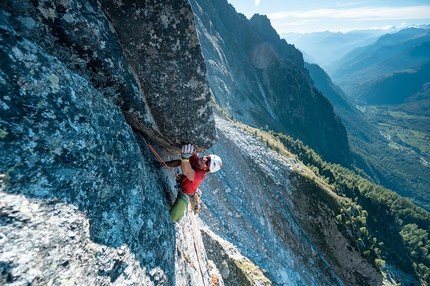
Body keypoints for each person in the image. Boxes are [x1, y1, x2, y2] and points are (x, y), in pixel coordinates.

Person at [166, 144, 222, 222]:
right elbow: (180, 162)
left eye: (208, 162)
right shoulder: (196, 160)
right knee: (184, 162)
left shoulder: (199, 175)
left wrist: (185, 158)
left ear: (206, 169)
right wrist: (162, 164)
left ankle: (192, 201)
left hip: (185, 193)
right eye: (207, 157)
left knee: (173, 217)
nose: (204, 158)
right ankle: (195, 194)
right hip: (184, 185)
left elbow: (187, 171)